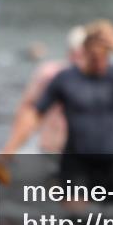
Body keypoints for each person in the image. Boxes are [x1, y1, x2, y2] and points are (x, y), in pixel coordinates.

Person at [0, 20, 113, 194]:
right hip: (74, 164)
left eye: (103, 57)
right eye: (94, 57)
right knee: (77, 217)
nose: (98, 63)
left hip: (106, 164)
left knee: (109, 221)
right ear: (85, 52)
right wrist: (6, 154)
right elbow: (34, 115)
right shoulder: (65, 79)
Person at [10, 25, 87, 155]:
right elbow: (27, 108)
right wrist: (11, 149)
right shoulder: (49, 73)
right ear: (70, 50)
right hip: (49, 149)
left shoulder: (98, 78)